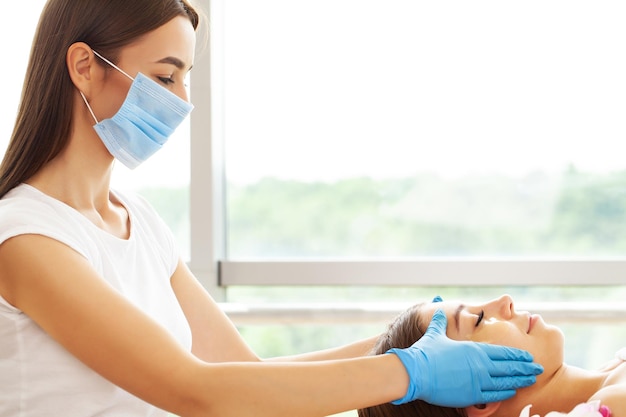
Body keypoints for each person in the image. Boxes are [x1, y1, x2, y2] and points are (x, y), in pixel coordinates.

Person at [0, 1, 543, 416]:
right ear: (83, 66)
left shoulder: (138, 223)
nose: (183, 100)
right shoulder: (25, 239)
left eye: (187, 77)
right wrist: (411, 372)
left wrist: (417, 332)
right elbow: (200, 393)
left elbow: (244, 373)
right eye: (166, 77)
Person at [357, 295, 625, 417]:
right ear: (482, 400)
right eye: (480, 319)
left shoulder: (612, 375)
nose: (505, 302)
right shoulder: (615, 404)